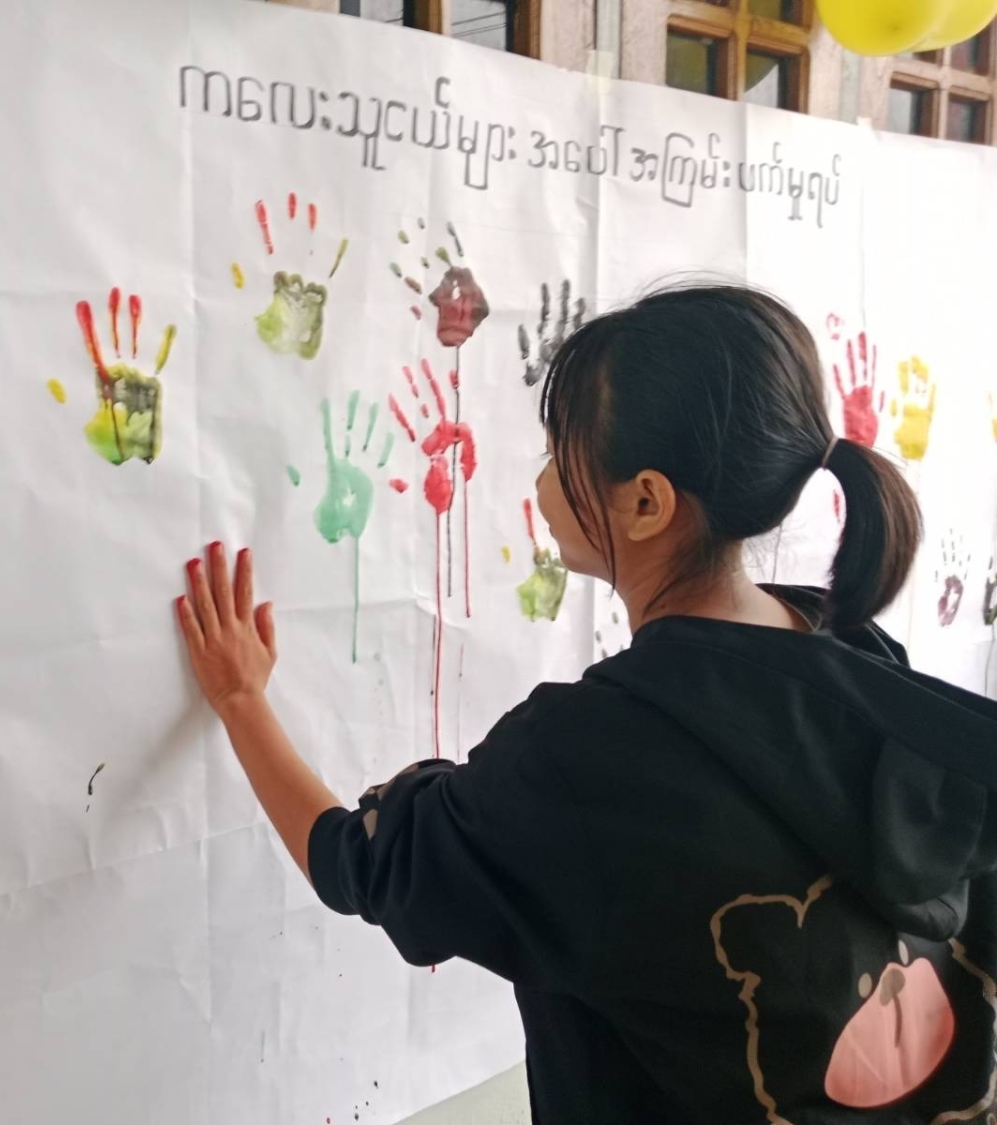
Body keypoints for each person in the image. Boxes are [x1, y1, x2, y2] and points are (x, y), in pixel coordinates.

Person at [173, 285, 997, 1124]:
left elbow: (358, 861)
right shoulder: (858, 657)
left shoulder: (586, 761)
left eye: (559, 451)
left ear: (646, 502)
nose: (540, 478)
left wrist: (240, 700)